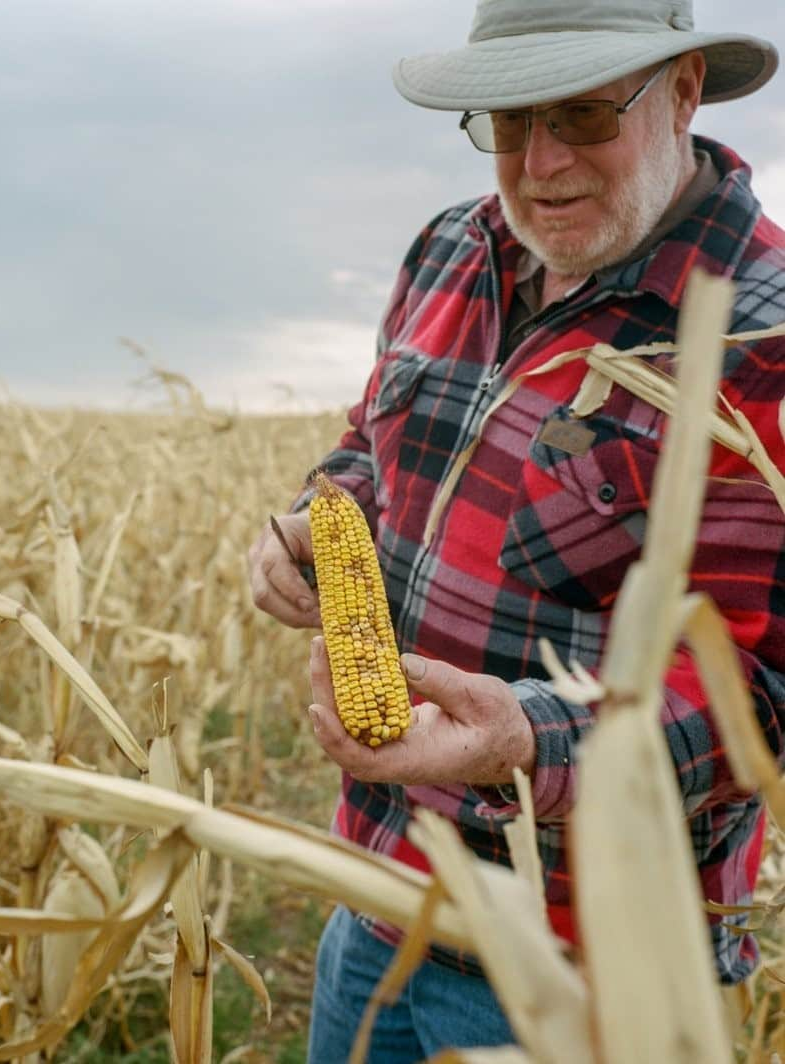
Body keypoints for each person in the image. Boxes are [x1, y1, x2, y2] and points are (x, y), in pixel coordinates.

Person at [247, 1, 785, 1059]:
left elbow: (760, 700)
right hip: (378, 887)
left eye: (583, 113)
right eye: (506, 120)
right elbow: (370, 448)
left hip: (585, 963)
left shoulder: (762, 337)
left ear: (681, 92)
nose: (539, 164)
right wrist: (320, 520)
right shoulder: (451, 248)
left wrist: (525, 740)